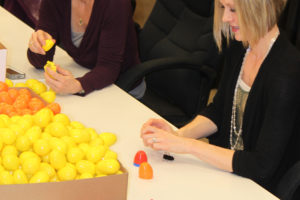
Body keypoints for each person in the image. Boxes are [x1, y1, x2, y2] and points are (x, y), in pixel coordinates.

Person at [141, 0, 300, 195]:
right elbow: (218, 111)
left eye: (233, 9)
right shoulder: (241, 47)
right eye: (223, 8)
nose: (225, 18)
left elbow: (261, 166)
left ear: (259, 8)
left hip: (259, 188)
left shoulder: (287, 73)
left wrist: (188, 146)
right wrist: (179, 135)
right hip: (227, 173)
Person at [27, 0, 144, 98]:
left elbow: (109, 67)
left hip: (121, 86)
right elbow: (40, 63)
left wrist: (77, 85)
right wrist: (37, 47)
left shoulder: (116, 4)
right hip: (82, 71)